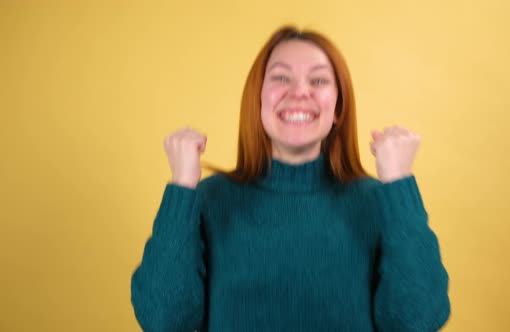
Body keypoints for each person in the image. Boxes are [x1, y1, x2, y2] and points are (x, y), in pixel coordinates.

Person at [130, 25, 451, 332]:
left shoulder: (378, 203)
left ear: (338, 106)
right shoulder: (209, 199)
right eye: (281, 77)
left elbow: (416, 321)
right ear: (257, 100)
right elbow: (165, 321)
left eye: (319, 81)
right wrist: (182, 187)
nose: (299, 92)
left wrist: (398, 184)